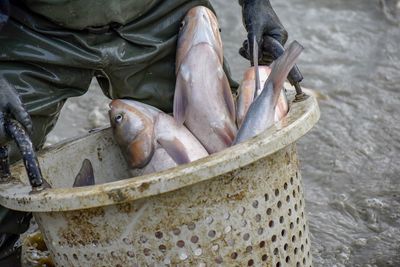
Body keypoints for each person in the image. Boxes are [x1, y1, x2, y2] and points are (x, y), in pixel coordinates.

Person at [0, 0, 288, 265]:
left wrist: (255, 3)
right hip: (30, 25)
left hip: (157, 11)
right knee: (4, 164)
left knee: (218, 168)